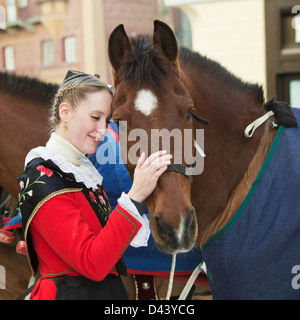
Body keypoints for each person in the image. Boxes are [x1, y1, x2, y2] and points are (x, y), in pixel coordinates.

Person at [18, 70, 172, 300]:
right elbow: (92, 263)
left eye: (107, 120)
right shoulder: (43, 175)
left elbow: (106, 245)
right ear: (65, 112)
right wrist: (136, 193)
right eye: (95, 117)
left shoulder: (80, 171)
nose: (103, 130)